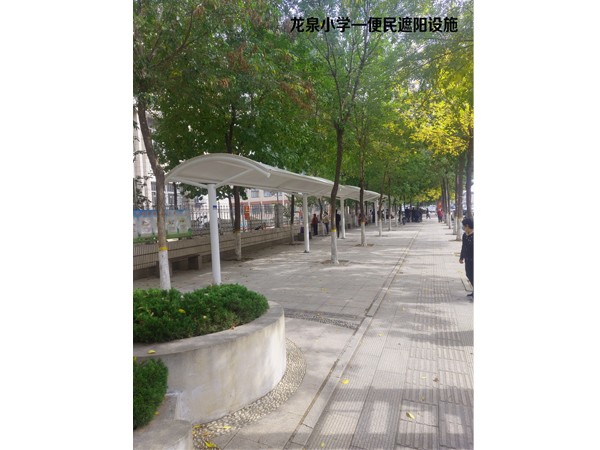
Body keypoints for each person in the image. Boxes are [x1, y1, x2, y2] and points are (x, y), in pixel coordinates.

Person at [459, 217, 474, 297]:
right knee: (468, 274)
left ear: (467, 226)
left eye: (464, 226)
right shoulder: (465, 235)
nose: (463, 228)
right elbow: (463, 246)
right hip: (468, 259)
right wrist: (461, 257)